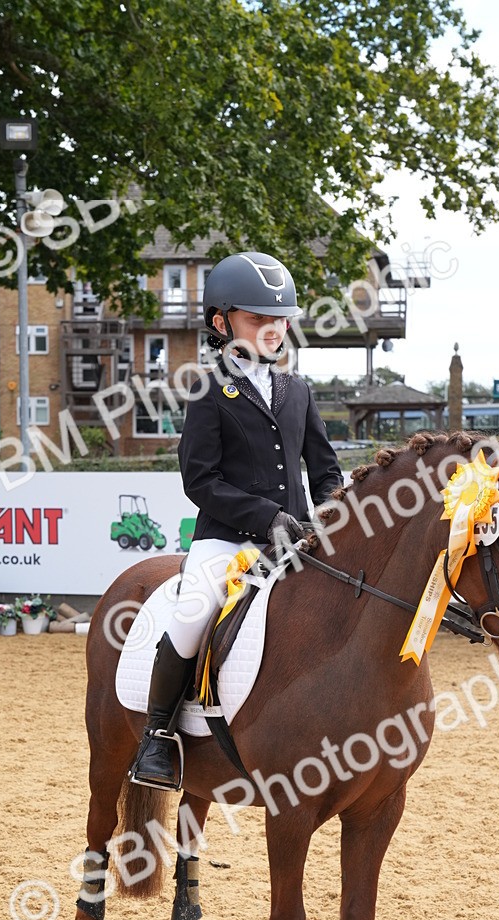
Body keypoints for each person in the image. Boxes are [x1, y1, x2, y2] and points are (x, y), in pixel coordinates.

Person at [128, 251, 344, 788]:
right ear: (222, 323)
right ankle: (157, 739)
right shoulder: (208, 390)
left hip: (295, 542)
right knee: (190, 615)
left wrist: (336, 514)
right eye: (258, 318)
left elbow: (325, 469)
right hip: (225, 542)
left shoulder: (297, 390)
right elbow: (199, 480)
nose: (274, 328)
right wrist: (267, 514)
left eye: (281, 318)